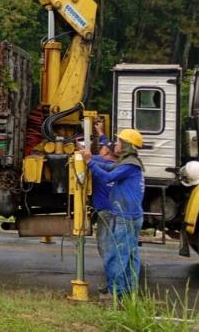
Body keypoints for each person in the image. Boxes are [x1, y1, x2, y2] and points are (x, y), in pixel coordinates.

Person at [83, 128, 145, 298]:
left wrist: (89, 163)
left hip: (125, 216)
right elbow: (108, 166)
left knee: (116, 255)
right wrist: (93, 161)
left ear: (126, 146)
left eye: (119, 142)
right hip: (134, 216)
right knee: (131, 255)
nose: (116, 144)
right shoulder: (130, 163)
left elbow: (108, 176)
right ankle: (128, 291)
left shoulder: (129, 165)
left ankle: (115, 292)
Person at [90, 119, 117, 294]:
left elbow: (86, 156)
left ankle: (112, 285)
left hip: (105, 213)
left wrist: (80, 149)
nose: (100, 150)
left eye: (102, 149)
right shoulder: (116, 164)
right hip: (113, 212)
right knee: (112, 247)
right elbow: (108, 145)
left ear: (107, 154)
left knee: (106, 248)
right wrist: (100, 132)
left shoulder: (101, 163)